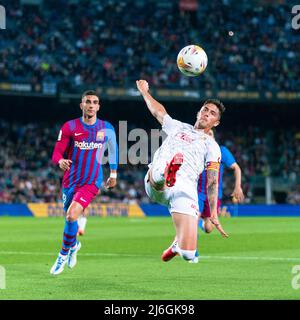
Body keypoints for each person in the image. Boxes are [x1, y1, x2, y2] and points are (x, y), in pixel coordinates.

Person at [136, 79, 228, 264]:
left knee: (188, 253)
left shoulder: (212, 146)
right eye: (205, 110)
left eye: (212, 114)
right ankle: (166, 173)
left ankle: (177, 245)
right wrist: (145, 92)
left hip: (185, 189)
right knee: (162, 169)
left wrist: (213, 213)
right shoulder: (178, 127)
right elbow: (158, 112)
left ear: (216, 123)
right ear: (198, 112)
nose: (206, 114)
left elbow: (212, 182)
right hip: (158, 183)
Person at [50, 90, 118, 275]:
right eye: (87, 101)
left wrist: (113, 174)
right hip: (70, 181)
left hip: (91, 182)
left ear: (98, 106)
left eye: (94, 102)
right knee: (69, 219)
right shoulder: (70, 127)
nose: (90, 105)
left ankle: (62, 255)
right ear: (81, 105)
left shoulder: (106, 128)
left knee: (72, 215)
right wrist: (60, 161)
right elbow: (57, 152)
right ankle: (74, 245)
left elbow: (113, 151)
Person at [198, 129, 244, 233]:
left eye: (210, 134)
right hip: (197, 193)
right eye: (206, 134)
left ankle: (202, 220)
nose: (208, 136)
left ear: (214, 137)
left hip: (214, 195)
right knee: (191, 220)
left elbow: (236, 168)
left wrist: (238, 186)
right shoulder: (197, 150)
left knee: (208, 229)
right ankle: (190, 248)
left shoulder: (221, 150)